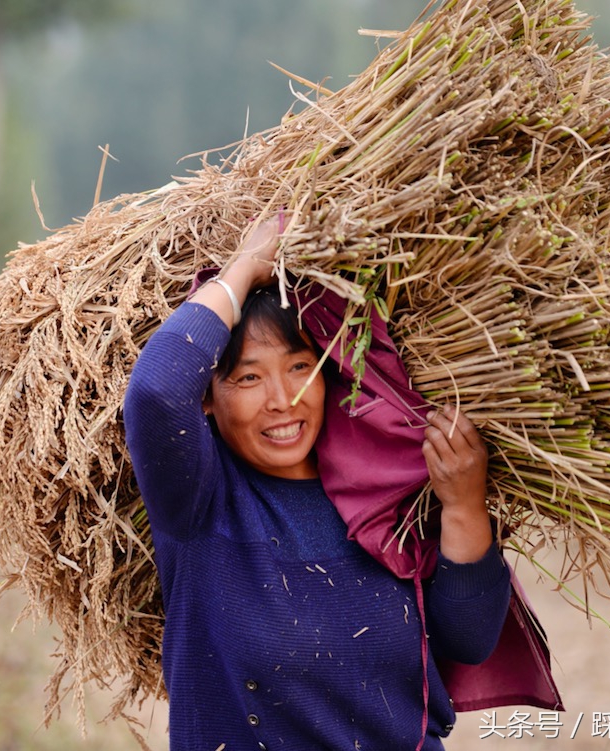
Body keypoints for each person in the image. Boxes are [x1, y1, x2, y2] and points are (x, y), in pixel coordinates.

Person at [124, 217, 513, 750]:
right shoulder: (201, 501)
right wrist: (247, 268)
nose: (283, 398)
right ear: (208, 398)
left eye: (300, 365)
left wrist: (464, 505)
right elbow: (156, 392)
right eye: (248, 377)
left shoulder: (388, 495)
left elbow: (468, 640)